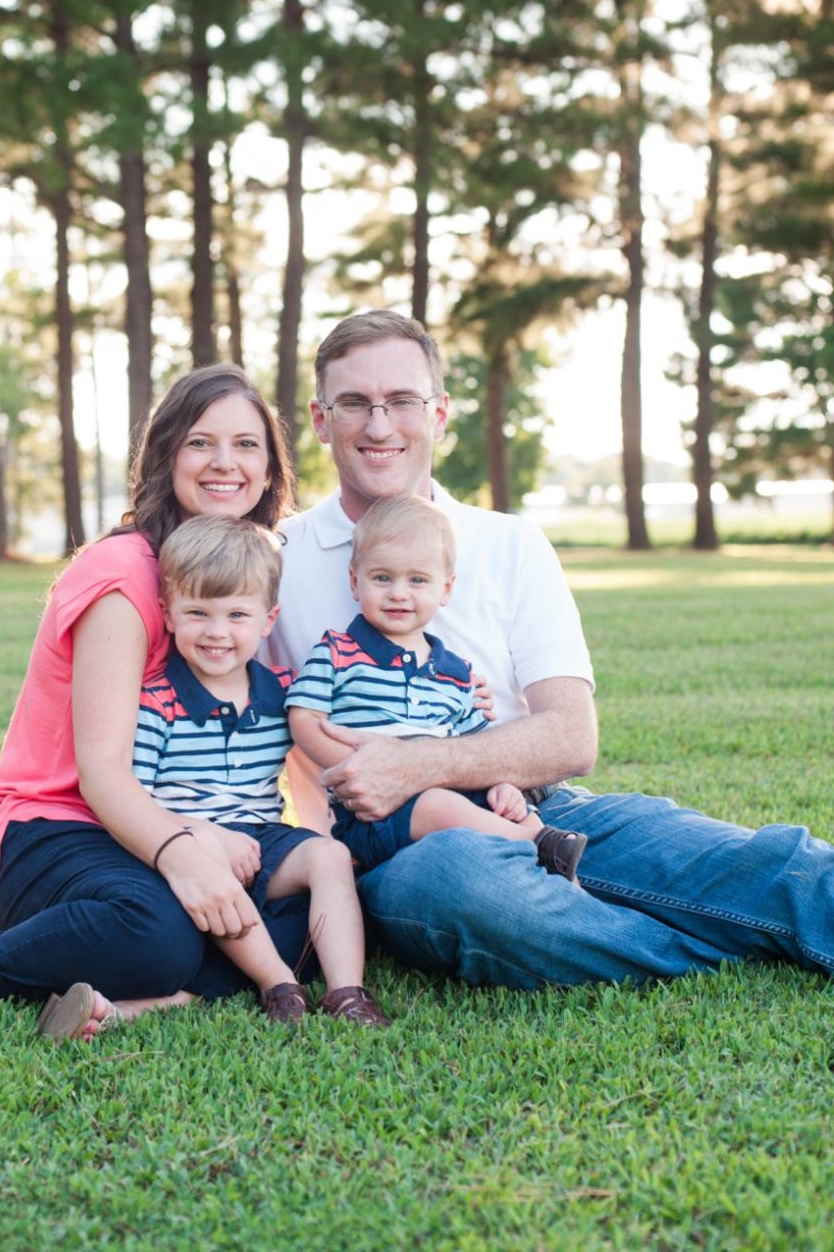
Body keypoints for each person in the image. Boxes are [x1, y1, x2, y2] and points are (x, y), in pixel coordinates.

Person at [267, 310, 834, 989]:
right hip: (395, 850)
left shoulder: (511, 543)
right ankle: (712, 948)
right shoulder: (278, 560)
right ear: (321, 418)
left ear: (440, 412)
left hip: (537, 809)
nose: (380, 425)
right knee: (465, 883)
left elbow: (570, 734)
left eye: (403, 402)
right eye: (354, 403)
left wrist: (418, 764)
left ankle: (729, 917)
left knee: (763, 861)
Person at [0, 365, 316, 1040]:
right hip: (56, 831)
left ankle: (154, 1003)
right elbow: (100, 774)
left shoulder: (248, 578)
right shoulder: (125, 574)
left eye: (247, 444)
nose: (226, 463)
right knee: (162, 932)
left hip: (162, 828)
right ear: (166, 456)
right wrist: (188, 851)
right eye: (201, 442)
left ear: (272, 465)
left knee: (311, 897)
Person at [131, 513, 389, 1026]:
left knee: (330, 857)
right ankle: (280, 986)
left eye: (236, 616)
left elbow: (359, 711)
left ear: (268, 620)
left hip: (264, 838)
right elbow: (133, 799)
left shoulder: (285, 693)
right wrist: (203, 835)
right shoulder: (156, 700)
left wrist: (459, 697)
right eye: (199, 612)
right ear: (169, 613)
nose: (217, 632)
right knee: (210, 862)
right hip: (183, 842)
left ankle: (347, 995)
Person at [286, 493, 587, 882]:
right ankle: (538, 844)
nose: (398, 592)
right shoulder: (337, 653)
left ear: (445, 589)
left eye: (417, 580)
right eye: (382, 577)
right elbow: (304, 718)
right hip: (375, 817)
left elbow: (476, 744)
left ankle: (549, 866)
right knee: (437, 805)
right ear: (354, 581)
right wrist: (354, 767)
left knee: (503, 807)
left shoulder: (456, 672)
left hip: (460, 800)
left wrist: (504, 787)